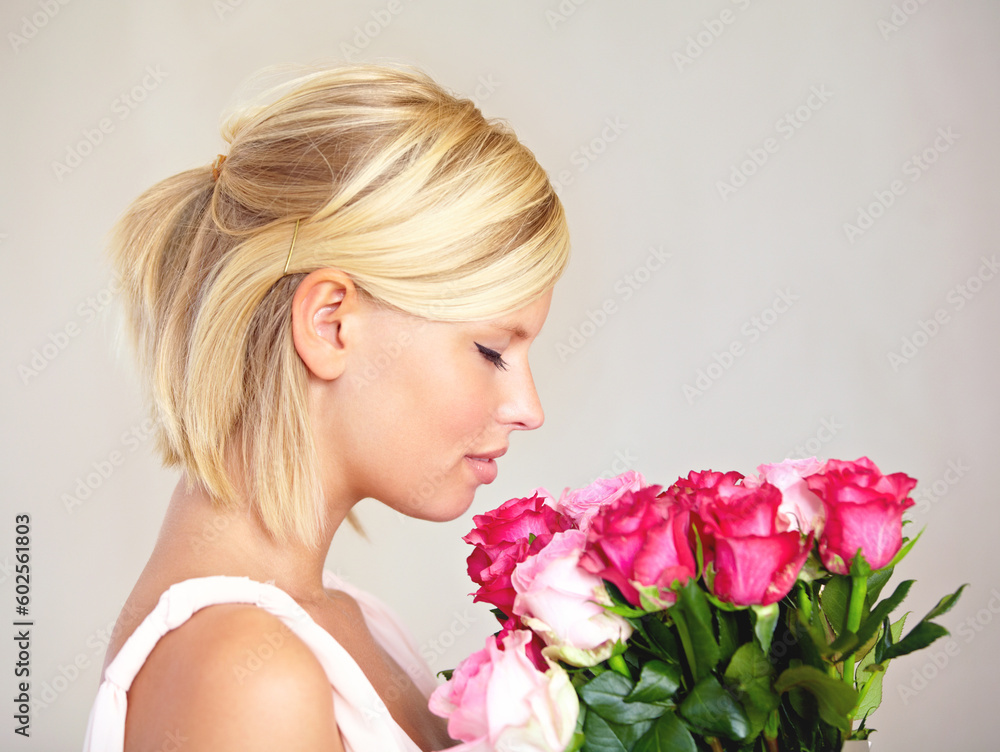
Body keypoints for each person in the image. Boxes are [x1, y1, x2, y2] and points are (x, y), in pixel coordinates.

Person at [83, 63, 570, 752]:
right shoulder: (246, 678)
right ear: (331, 324)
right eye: (492, 350)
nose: (528, 407)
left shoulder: (351, 620)